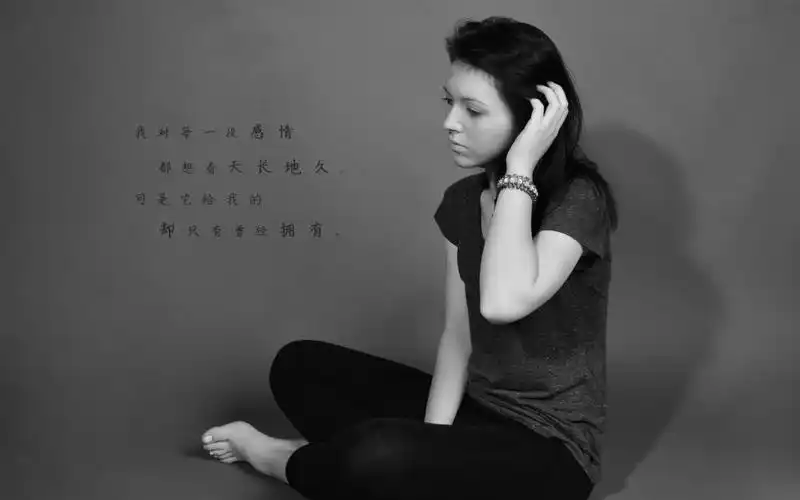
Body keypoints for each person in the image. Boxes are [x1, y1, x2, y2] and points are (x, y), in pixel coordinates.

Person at [200, 15, 619, 500]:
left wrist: (520, 169)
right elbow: (458, 337)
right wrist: (431, 447)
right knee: (298, 366)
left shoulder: (578, 199)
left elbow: (502, 303)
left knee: (379, 455)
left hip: (551, 452)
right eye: (449, 102)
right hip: (476, 416)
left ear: (531, 120)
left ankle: (278, 457)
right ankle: (360, 466)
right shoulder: (463, 202)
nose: (450, 123)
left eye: (473, 110)